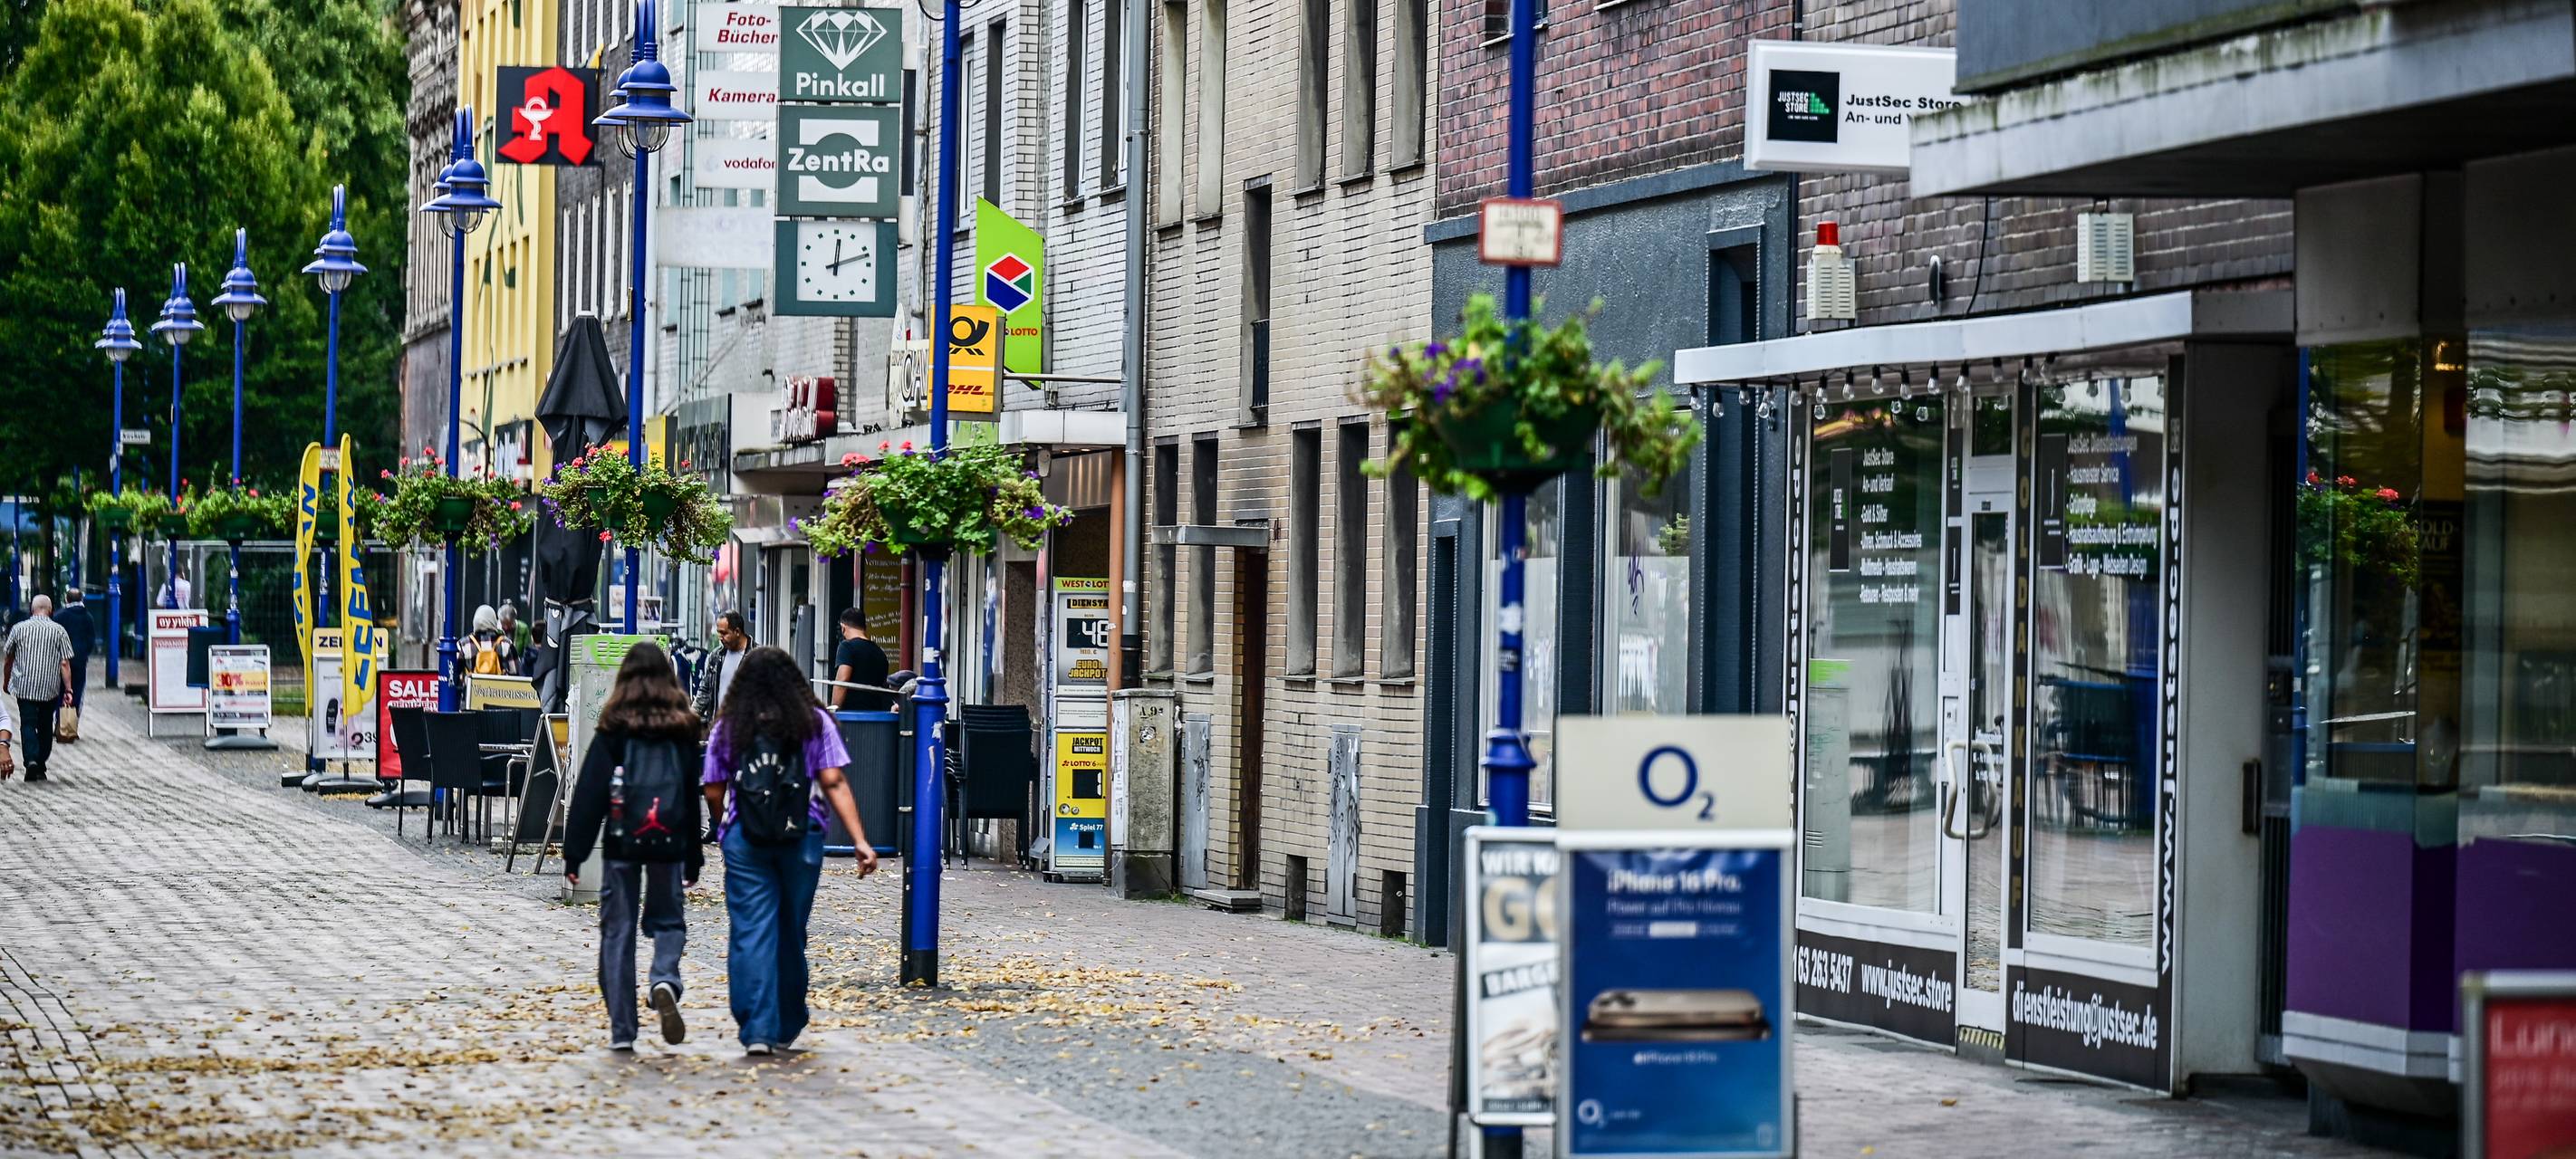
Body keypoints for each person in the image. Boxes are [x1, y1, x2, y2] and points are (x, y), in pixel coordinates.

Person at [701, 646, 877, 1057]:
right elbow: (833, 781)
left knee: (751, 928)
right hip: (804, 837)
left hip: (746, 838)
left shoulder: (730, 725)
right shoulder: (814, 722)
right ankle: (787, 1020)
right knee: (790, 929)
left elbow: (712, 787)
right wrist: (860, 840)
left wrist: (723, 823)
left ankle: (757, 1028)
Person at [561, 641, 706, 1051]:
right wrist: (693, 856)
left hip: (623, 842)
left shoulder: (614, 726)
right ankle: (664, 978)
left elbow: (590, 794)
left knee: (617, 931)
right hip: (669, 841)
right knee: (669, 921)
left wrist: (575, 853)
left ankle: (623, 1030)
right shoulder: (682, 726)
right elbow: (688, 796)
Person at [1, 595, 76, 782]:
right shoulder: (59, 631)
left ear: (32, 610)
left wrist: (6, 680)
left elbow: (8, 657)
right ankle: (41, 763)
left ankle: (31, 760)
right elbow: (65, 663)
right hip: (49, 688)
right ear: (50, 610)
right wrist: (68, 690)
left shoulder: (19, 629)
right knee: (44, 726)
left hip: (24, 686)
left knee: (27, 723)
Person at [689, 610, 750, 722]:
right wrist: (690, 718)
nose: (720, 637)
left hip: (745, 730)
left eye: (724, 633)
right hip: (719, 728)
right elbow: (705, 690)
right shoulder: (716, 656)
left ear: (737, 631)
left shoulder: (755, 656)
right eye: (718, 633)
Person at [828, 609, 893, 713]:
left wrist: (833, 711)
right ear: (864, 627)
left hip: (852, 717)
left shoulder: (846, 647)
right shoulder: (880, 652)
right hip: (876, 716)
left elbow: (842, 681)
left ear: (843, 627)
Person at [52, 589, 92, 730]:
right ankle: (69, 726)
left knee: (60, 691)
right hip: (80, 661)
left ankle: (58, 722)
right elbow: (91, 641)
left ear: (66, 599)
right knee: (76, 691)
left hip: (61, 661)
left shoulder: (59, 616)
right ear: (81, 599)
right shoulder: (88, 617)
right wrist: (84, 654)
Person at [498, 603, 533, 674]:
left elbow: (528, 652)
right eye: (503, 624)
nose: (506, 627)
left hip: (519, 668)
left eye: (509, 624)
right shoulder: (496, 630)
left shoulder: (523, 628)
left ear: (514, 620)